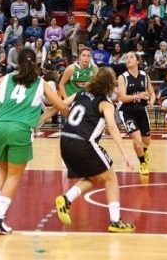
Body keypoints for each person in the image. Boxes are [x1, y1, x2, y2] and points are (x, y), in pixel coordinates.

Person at [0, 47, 69, 235]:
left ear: (17, 63)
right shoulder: (41, 83)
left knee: (3, 170)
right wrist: (71, 118)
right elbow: (59, 105)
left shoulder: (4, 79)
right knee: (14, 175)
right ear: (36, 63)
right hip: (20, 130)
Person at [54, 67, 136, 233]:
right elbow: (112, 128)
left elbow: (60, 105)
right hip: (84, 143)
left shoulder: (81, 94)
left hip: (65, 141)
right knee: (111, 178)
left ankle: (66, 199)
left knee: (93, 177)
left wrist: (38, 120)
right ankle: (115, 221)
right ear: (110, 85)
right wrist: (125, 153)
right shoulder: (105, 103)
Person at [117, 51, 155, 176]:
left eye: (131, 57)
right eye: (126, 57)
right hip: (127, 111)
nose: (128, 59)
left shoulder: (144, 75)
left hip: (141, 109)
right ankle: (143, 163)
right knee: (137, 138)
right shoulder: (122, 77)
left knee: (146, 141)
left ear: (137, 61)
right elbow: (121, 97)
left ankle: (142, 151)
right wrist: (138, 96)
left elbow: (151, 92)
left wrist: (151, 101)